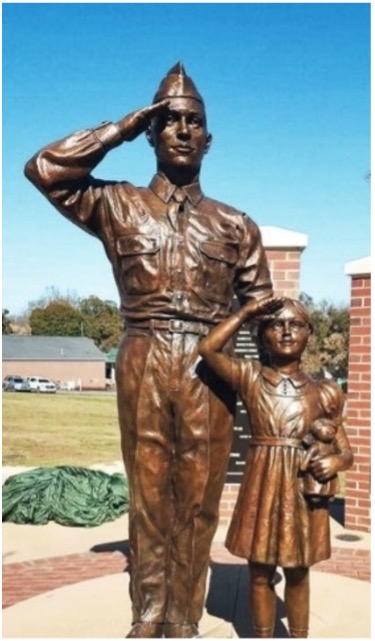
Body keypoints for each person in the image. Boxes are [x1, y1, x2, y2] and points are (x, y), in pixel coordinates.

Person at [24, 63, 273, 638]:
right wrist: (118, 129)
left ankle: (183, 617)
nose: (183, 130)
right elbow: (44, 170)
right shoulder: (117, 206)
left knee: (200, 496)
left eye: (194, 123)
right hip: (143, 354)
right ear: (153, 135)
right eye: (170, 121)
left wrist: (284, 395)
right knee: (149, 492)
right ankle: (149, 613)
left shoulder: (236, 225)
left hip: (210, 363)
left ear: (208, 140)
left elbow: (263, 316)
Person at [199, 296, 353, 638]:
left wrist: (334, 461)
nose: (286, 332)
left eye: (296, 324)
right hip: (262, 481)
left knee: (298, 570)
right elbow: (208, 350)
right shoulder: (251, 377)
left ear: (309, 334)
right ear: (263, 334)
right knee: (259, 570)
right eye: (276, 325)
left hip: (302, 486)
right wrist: (247, 312)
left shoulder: (324, 392)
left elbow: (346, 452)